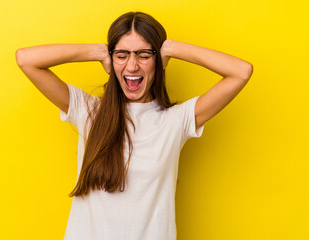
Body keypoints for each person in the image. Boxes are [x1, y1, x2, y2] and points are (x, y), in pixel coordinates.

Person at [16, 11, 253, 240]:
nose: (131, 66)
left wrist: (172, 48)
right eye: (122, 55)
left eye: (143, 55)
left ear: (157, 60)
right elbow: (26, 60)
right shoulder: (88, 111)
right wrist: (97, 52)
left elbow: (241, 72)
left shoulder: (175, 121)